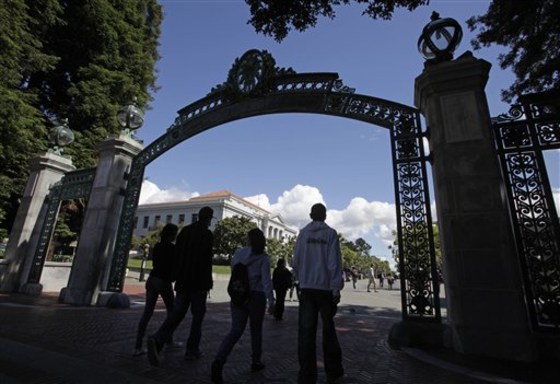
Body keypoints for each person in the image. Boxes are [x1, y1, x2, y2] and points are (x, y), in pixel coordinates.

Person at [147, 206, 215, 366]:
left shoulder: (185, 232)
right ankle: (192, 350)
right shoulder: (207, 234)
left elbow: (178, 255)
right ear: (209, 218)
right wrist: (208, 282)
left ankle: (158, 339)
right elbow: (206, 260)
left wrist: (176, 275)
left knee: (177, 312)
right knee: (198, 316)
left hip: (183, 281)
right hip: (198, 281)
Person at [211, 228, 274, 384]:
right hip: (256, 296)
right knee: (256, 331)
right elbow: (266, 280)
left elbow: (234, 272)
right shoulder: (264, 258)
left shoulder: (238, 254)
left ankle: (219, 360)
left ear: (249, 239)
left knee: (235, 330)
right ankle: (256, 361)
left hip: (238, 294)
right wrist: (271, 301)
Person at [292, 203, 344, 384]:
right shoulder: (330, 234)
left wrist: (299, 279)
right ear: (325, 215)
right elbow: (334, 263)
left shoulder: (303, 234)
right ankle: (333, 371)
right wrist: (336, 288)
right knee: (328, 330)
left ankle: (306, 374)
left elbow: (295, 260)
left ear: (310, 214)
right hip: (325, 290)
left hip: (306, 289)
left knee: (306, 333)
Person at [133, 224, 179, 356]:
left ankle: (137, 346)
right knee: (172, 312)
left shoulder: (157, 246)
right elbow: (173, 265)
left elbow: (154, 263)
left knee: (147, 313)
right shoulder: (172, 248)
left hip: (152, 279)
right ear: (172, 234)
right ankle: (165, 338)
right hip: (163, 280)